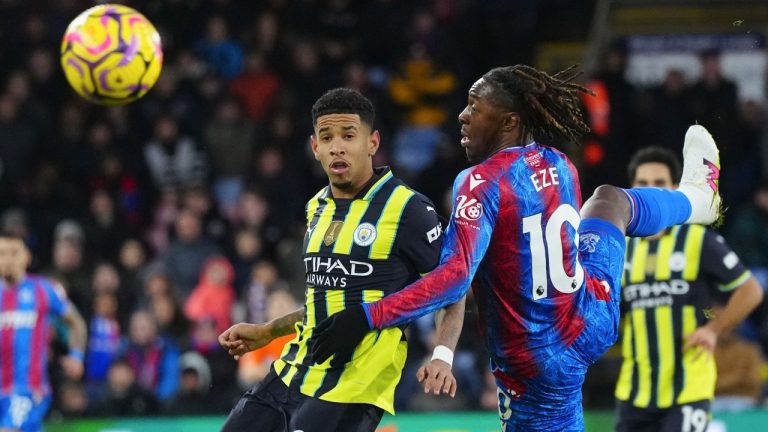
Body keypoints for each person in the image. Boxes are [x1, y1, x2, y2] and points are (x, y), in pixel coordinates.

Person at [309, 65, 723, 431]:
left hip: (536, 362)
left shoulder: (478, 182)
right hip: (592, 314)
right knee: (610, 200)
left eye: (474, 106)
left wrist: (368, 317)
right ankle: (697, 200)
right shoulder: (559, 162)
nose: (463, 115)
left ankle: (697, 200)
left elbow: (454, 280)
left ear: (507, 120)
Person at [218, 88, 466, 432]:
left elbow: (453, 287)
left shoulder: (409, 210)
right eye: (327, 137)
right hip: (296, 367)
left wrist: (442, 355)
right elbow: (328, 303)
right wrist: (267, 331)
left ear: (372, 143)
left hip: (357, 382)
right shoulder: (316, 207)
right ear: (315, 147)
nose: (338, 146)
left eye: (349, 135)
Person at [614, 146, 763, 431]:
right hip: (633, 390)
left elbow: (751, 290)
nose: (651, 190)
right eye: (642, 184)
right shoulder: (622, 247)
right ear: (632, 189)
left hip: (687, 389)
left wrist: (713, 330)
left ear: (674, 189)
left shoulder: (696, 240)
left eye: (659, 183)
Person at [0, 232, 87, 432]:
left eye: (14, 253)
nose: (7, 260)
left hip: (29, 389)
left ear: (26, 257)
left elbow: (76, 322)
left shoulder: (43, 289)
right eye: (2, 253)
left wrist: (76, 355)